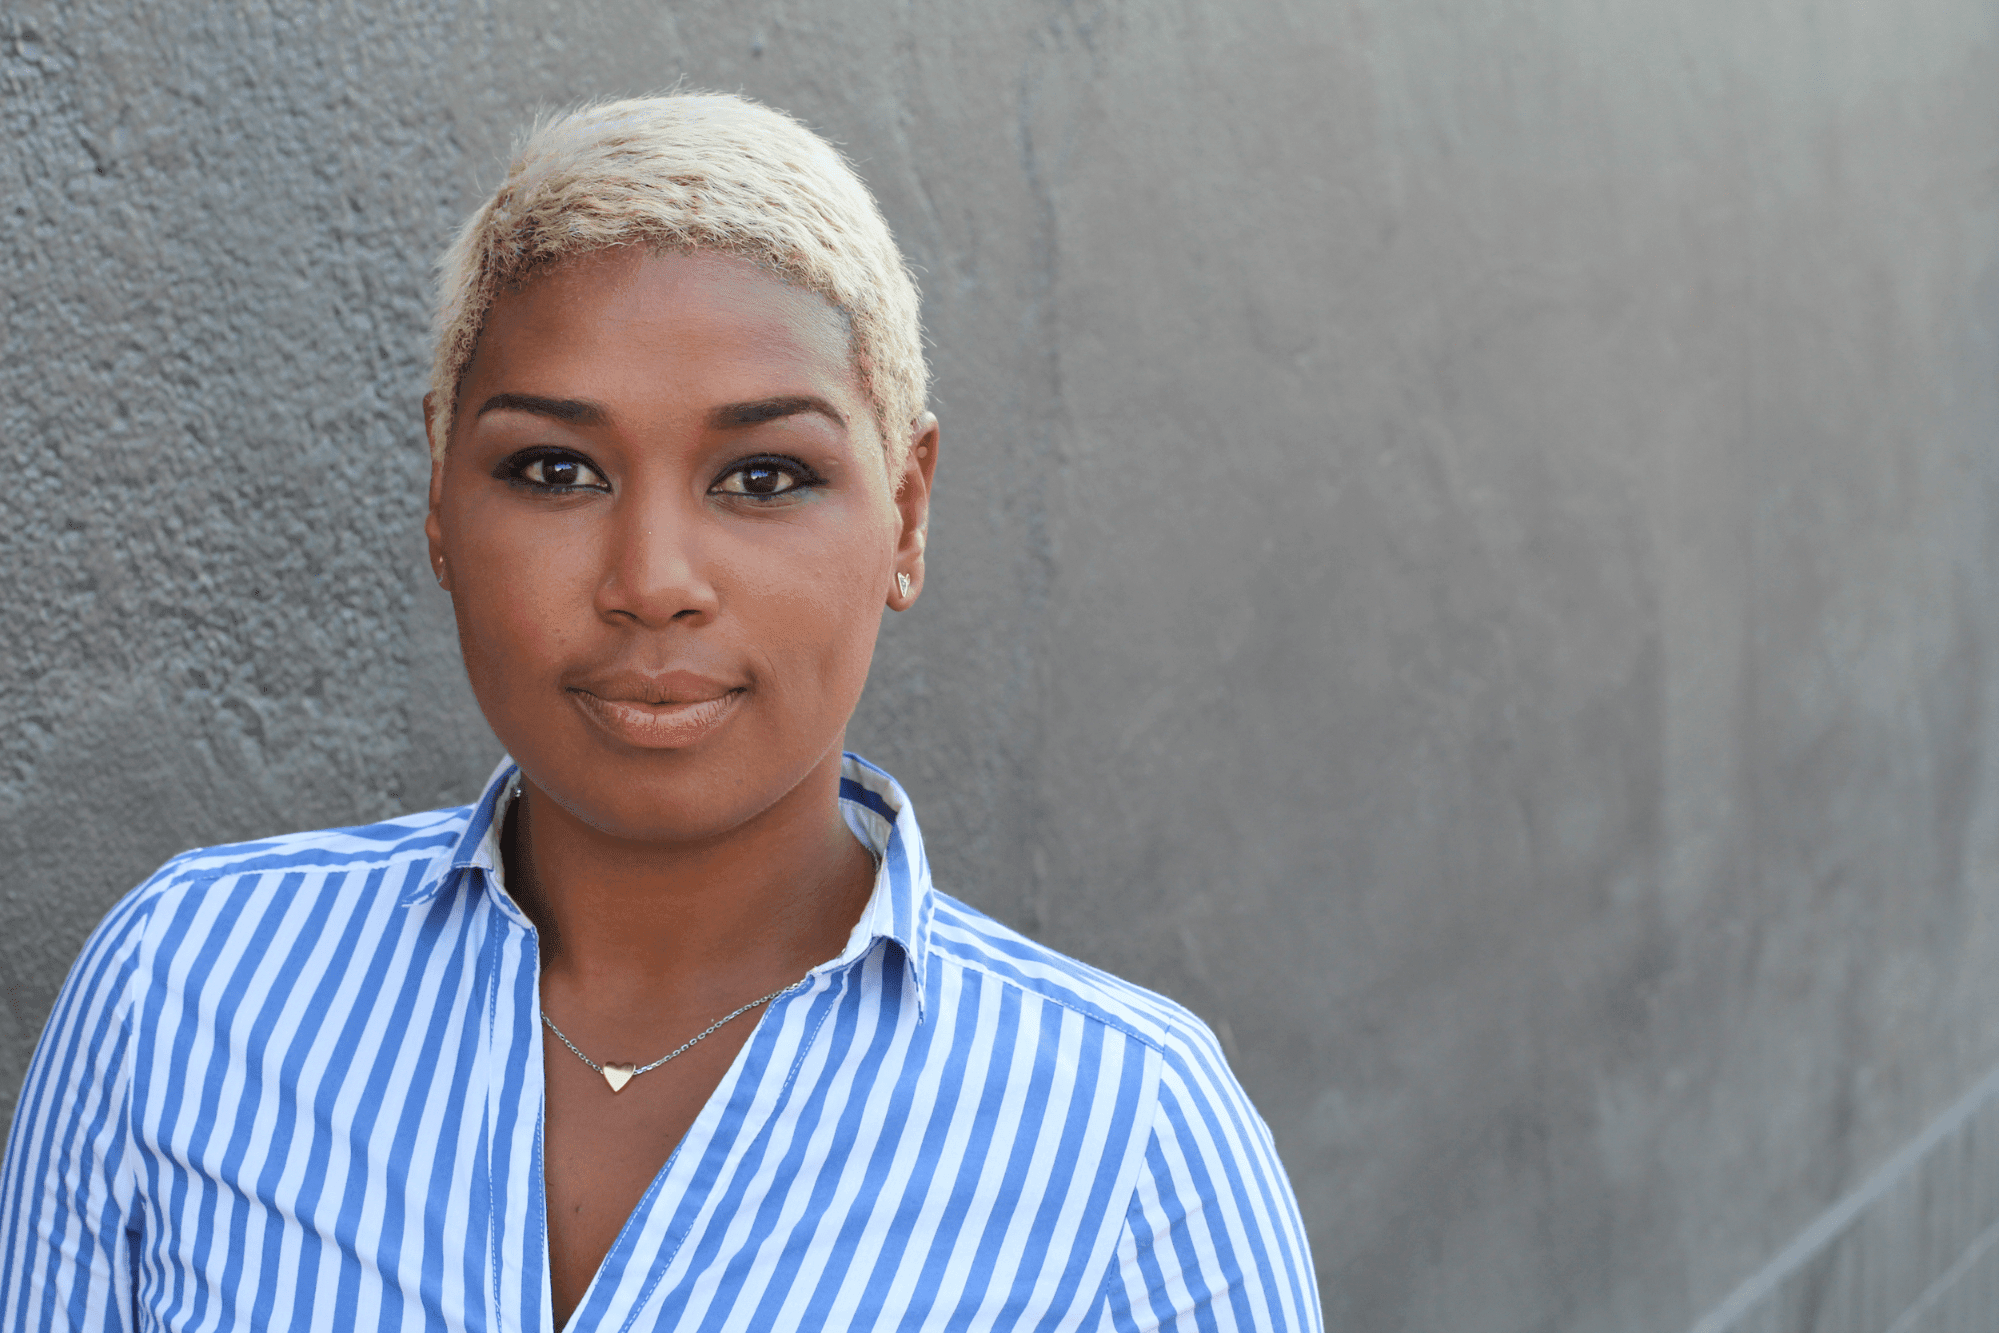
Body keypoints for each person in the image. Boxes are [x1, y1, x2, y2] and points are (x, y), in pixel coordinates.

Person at [0, 92, 1321, 1331]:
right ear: (440, 504)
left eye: (762, 475)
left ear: (907, 512)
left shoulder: (1124, 1132)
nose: (651, 586)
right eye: (555, 468)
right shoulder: (184, 993)